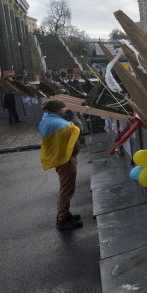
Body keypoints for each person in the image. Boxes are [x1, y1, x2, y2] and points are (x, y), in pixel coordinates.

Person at [39, 99, 84, 230]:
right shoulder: (56, 122)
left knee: (66, 188)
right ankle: (63, 219)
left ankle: (65, 214)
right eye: (64, 108)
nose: (66, 109)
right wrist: (74, 117)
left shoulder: (49, 119)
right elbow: (77, 130)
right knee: (66, 190)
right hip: (65, 160)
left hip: (63, 158)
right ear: (57, 110)